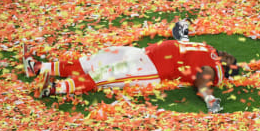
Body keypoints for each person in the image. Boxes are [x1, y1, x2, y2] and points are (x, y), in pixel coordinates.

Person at [23, 21, 239, 113]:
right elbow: (181, 42)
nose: (230, 55)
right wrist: (182, 29)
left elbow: (203, 84)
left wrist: (211, 100)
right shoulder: (206, 49)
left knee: (102, 75)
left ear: (227, 67)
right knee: (94, 61)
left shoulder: (211, 69)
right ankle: (38, 67)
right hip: (143, 54)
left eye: (232, 60)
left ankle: (53, 89)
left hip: (149, 70)